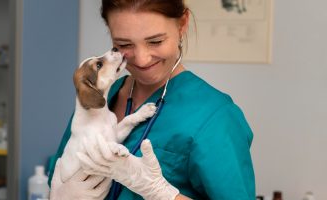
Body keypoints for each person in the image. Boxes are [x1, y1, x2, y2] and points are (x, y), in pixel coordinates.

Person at [48, 0, 255, 199]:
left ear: (182, 24)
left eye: (155, 41)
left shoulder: (216, 117)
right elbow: (59, 174)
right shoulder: (98, 101)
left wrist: (162, 194)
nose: (142, 58)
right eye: (124, 44)